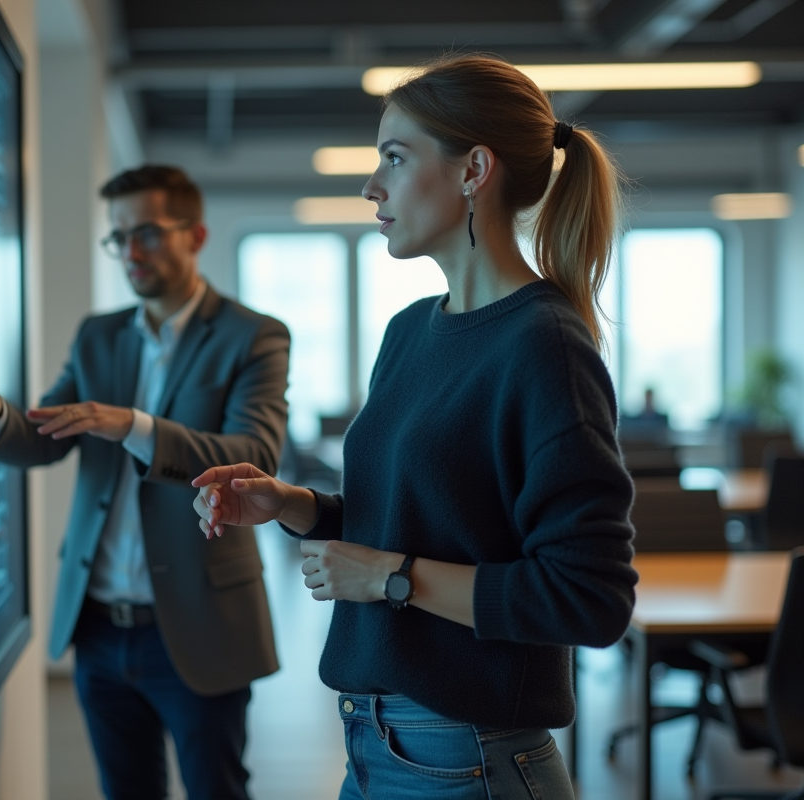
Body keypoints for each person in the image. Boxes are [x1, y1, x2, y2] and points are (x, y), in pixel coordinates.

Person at [191, 55, 638, 800]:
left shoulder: (544, 344)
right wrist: (294, 505)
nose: (372, 186)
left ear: (474, 170)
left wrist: (391, 579)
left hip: (467, 758)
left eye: (394, 159)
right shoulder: (409, 331)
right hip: (375, 743)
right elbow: (425, 521)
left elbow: (589, 598)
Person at [0, 165, 289, 800]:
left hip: (200, 621)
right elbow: (46, 433)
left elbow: (254, 455)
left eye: (146, 232)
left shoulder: (252, 335)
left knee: (217, 790)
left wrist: (136, 427)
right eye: (118, 238)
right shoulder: (99, 336)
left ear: (195, 235)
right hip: (97, 627)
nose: (131, 252)